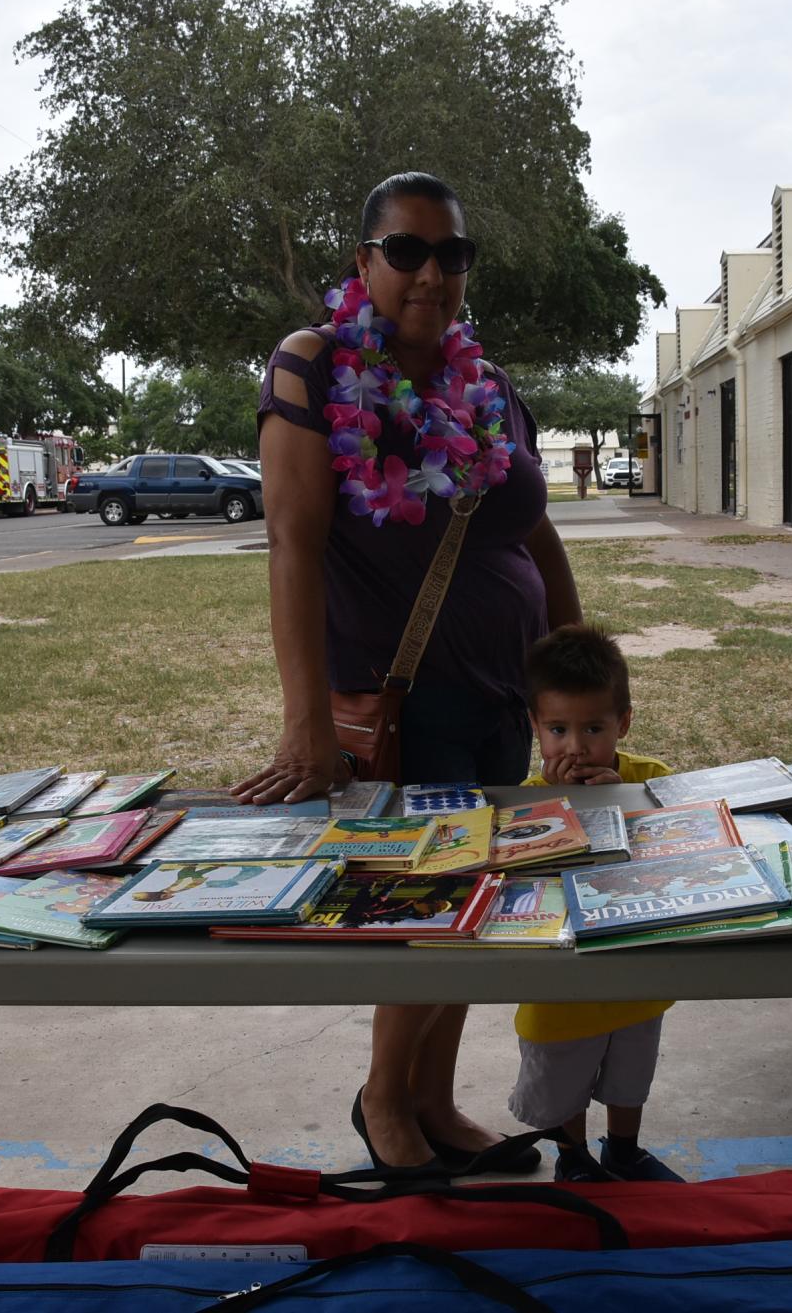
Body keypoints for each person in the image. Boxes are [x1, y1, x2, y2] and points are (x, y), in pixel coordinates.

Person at [231, 172, 581, 1173]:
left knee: (483, 901)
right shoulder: (312, 366)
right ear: (363, 262)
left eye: (452, 254)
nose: (432, 272)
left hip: (504, 699)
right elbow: (292, 546)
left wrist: (576, 663)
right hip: (400, 695)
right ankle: (384, 1096)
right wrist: (303, 721)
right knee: (427, 909)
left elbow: (536, 532)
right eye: (408, 251)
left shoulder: (487, 383)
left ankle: (434, 1095)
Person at [511, 625, 684, 1182]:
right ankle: (575, 1158)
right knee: (563, 1075)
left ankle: (624, 1149)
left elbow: (679, 850)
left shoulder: (648, 779)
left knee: (630, 1071)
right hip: (562, 978)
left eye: (594, 728)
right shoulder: (527, 796)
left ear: (623, 724)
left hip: (636, 971)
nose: (576, 747)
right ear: (535, 726)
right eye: (557, 729)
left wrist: (618, 801)